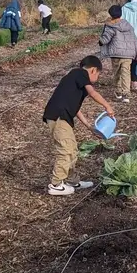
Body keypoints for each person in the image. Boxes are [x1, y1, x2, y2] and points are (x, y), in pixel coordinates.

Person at [43, 56, 114, 196]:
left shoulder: (75, 82)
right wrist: (107, 106)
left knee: (73, 149)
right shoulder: (79, 73)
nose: (97, 79)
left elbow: (75, 109)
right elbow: (93, 93)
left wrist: (89, 126)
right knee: (65, 150)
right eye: (98, 75)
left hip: (63, 117)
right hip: (58, 116)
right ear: (93, 70)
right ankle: (56, 185)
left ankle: (71, 180)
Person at [98, 4, 137, 102]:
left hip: (116, 54)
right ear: (121, 14)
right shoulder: (128, 26)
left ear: (110, 15)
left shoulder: (111, 26)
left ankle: (118, 91)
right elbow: (135, 41)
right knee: (126, 73)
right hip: (128, 55)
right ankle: (126, 94)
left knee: (117, 73)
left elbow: (105, 39)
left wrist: (100, 41)